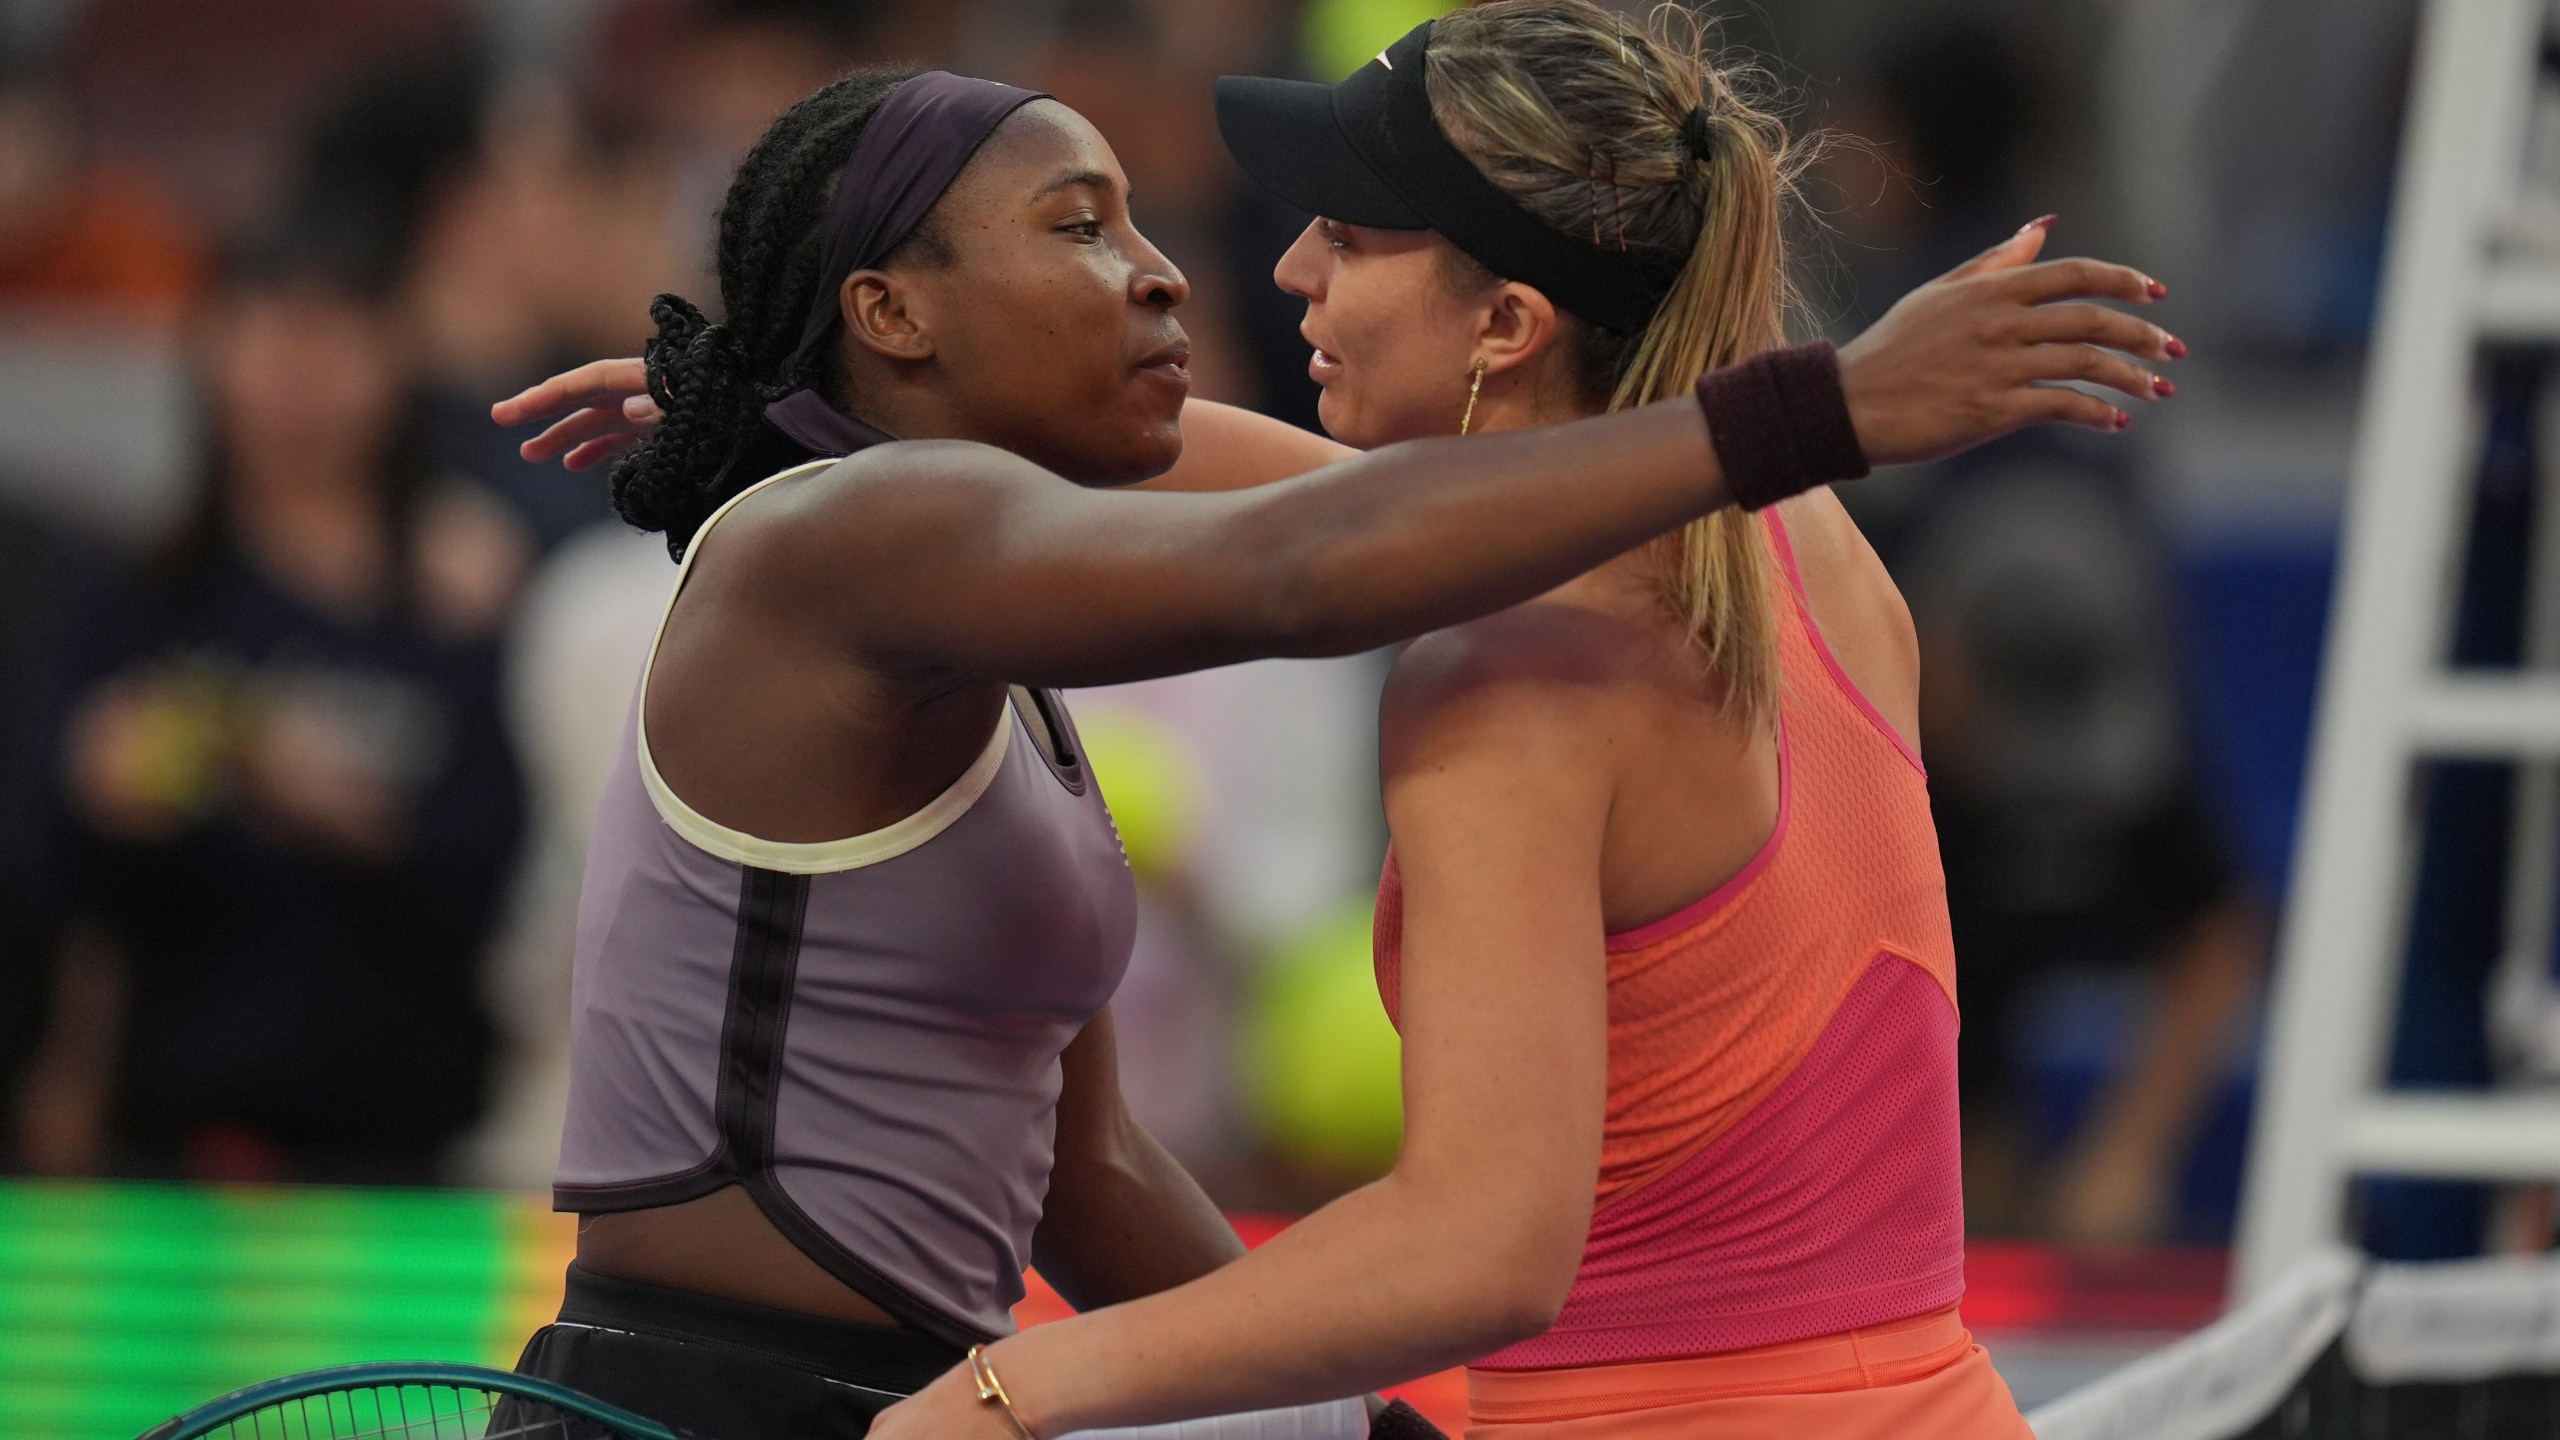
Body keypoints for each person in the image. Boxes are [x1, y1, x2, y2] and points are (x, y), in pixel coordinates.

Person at [490, 17, 2171, 1436]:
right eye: (1084, 227)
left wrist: (1012, 1392)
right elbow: (1326, 532)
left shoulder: (1517, 661)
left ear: (1507, 323)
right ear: (888, 310)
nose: (1236, 267)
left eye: (1350, 238)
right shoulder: (1800, 548)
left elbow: (1323, 551)